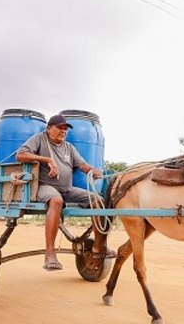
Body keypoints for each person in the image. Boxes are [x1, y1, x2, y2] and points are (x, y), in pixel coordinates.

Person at [16, 114, 115, 271]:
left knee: (98, 200)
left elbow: (82, 165)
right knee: (56, 201)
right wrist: (48, 160)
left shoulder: (69, 147)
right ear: (49, 128)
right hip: (44, 186)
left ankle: (98, 246)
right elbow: (20, 155)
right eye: (59, 128)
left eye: (65, 129)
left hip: (67, 188)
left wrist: (93, 170)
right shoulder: (39, 139)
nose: (63, 131)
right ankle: (50, 253)